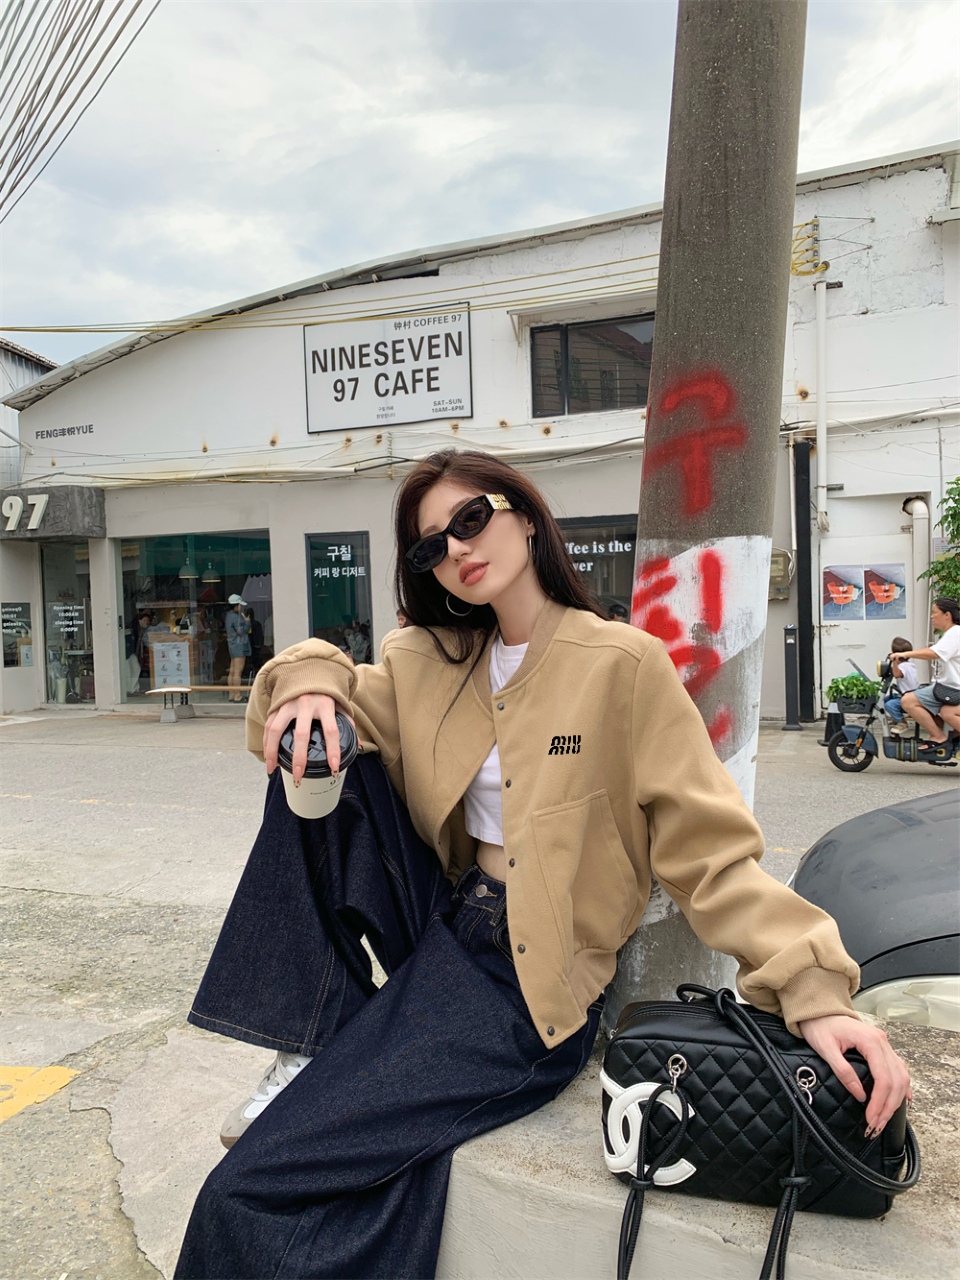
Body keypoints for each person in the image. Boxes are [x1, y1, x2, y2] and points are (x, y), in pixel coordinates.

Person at [175, 450, 911, 1280]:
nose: (457, 549)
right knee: (314, 750)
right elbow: (317, 691)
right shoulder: (427, 660)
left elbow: (711, 857)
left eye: (470, 519)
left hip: (524, 989)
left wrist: (814, 990)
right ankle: (311, 1035)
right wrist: (309, 683)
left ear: (524, 516)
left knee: (246, 1190)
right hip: (441, 923)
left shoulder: (621, 666)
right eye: (431, 546)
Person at [898, 597, 960, 753]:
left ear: (947, 615)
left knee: (908, 701)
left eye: (935, 612)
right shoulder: (950, 634)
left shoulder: (955, 633)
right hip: (947, 687)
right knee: (946, 713)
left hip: (952, 688)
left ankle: (938, 736)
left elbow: (933, 653)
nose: (932, 616)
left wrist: (905, 653)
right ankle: (947, 735)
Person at [885, 636, 919, 737]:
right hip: (904, 694)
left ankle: (902, 722)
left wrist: (894, 661)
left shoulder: (903, 666)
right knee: (885, 699)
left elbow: (897, 674)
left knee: (889, 705)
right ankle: (896, 719)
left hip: (908, 697)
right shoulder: (910, 665)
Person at [225, 594, 251, 703]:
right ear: (236, 605)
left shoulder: (228, 616)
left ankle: (231, 694)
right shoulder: (236, 617)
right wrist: (247, 622)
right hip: (239, 645)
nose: (241, 607)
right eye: (240, 605)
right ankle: (237, 695)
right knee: (237, 671)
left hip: (232, 645)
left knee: (232, 671)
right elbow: (241, 631)